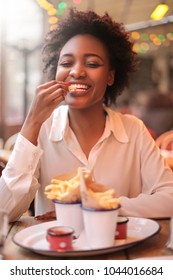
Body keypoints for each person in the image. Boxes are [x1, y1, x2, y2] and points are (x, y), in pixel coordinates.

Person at [0, 9, 173, 222]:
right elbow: (4, 211)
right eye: (66, 63)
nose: (77, 72)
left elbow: (169, 199)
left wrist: (99, 206)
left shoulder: (134, 130)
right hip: (56, 252)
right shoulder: (42, 129)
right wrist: (32, 122)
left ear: (110, 76)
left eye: (92, 63)